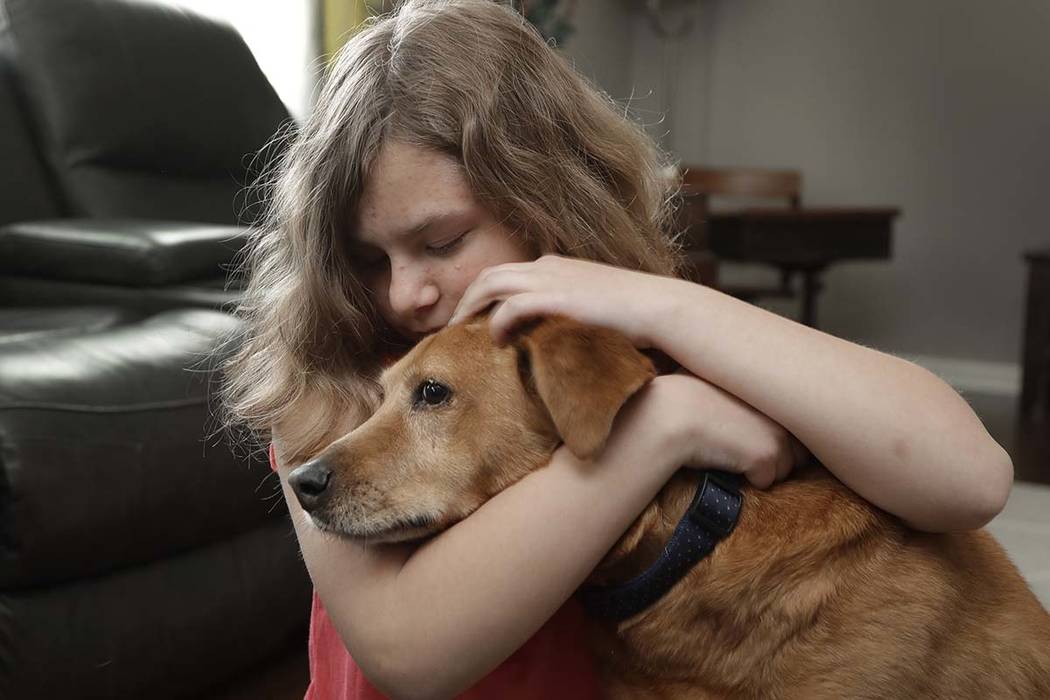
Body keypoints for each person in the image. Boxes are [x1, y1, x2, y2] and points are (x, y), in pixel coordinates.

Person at [221, 1, 1013, 698]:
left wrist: (657, 301)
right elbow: (409, 654)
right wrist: (665, 425)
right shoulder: (332, 385)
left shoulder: (629, 342)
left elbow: (971, 479)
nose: (402, 294)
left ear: (545, 205)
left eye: (443, 240)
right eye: (367, 259)